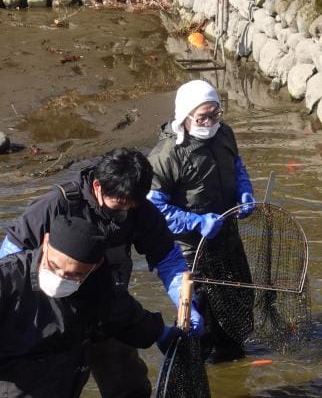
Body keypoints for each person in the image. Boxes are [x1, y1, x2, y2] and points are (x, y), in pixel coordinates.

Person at [0, 148, 198, 398]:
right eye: (119, 204)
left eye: (131, 206)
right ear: (97, 186)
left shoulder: (139, 212)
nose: (124, 211)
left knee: (129, 387)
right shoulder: (53, 206)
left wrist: (164, 326)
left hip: (104, 315)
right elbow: (10, 265)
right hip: (45, 320)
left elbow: (167, 259)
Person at [0, 215, 173, 398]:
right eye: (54, 265)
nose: (60, 277)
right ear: (46, 241)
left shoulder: (100, 286)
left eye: (73, 275)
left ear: (95, 267)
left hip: (65, 380)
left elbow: (127, 317)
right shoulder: (6, 281)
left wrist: (163, 333)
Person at [147, 79, 257, 362]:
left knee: (240, 300)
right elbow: (154, 210)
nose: (209, 122)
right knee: (204, 317)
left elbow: (236, 165)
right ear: (185, 117)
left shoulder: (224, 134)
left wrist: (245, 190)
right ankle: (207, 367)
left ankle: (234, 360)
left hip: (227, 236)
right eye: (203, 117)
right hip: (191, 249)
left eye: (215, 114)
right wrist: (195, 222)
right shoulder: (166, 156)